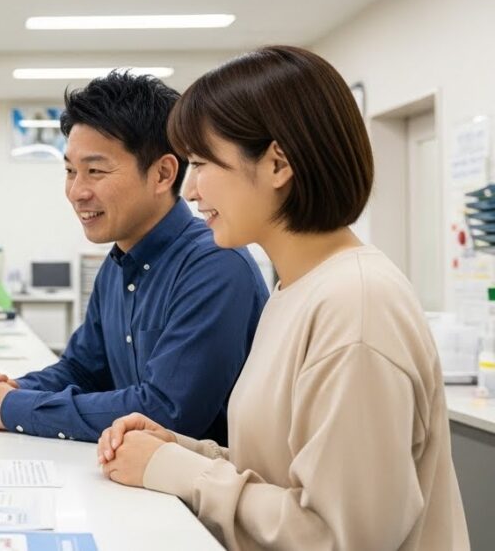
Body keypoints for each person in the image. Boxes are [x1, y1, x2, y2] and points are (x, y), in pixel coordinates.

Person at [97, 46, 468, 549]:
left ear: (277, 164)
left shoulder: (356, 305)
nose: (191, 191)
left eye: (203, 163)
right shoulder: (295, 289)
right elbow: (280, 471)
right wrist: (184, 451)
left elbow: (341, 536)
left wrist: (176, 471)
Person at [0, 71, 269, 444]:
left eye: (95, 171)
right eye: (70, 171)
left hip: (194, 497)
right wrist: (8, 389)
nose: (76, 191)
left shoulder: (215, 265)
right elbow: (84, 370)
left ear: (163, 173)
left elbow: (167, 412)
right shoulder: (118, 263)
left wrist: (9, 408)